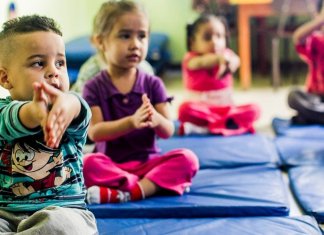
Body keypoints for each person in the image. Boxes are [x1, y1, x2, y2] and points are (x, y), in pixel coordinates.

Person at [82, 0, 199, 204]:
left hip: (149, 164)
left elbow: (168, 130)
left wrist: (156, 119)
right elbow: (95, 132)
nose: (135, 44)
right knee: (86, 164)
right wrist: (131, 122)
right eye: (125, 35)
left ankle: (129, 192)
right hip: (113, 165)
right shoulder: (93, 86)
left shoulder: (153, 83)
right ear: (101, 41)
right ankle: (147, 187)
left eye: (142, 36)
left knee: (188, 159)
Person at [0, 15, 98, 234]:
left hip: (65, 211)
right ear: (6, 78)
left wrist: (67, 104)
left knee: (60, 225)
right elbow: (11, 119)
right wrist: (34, 112)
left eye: (60, 63)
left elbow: (77, 107)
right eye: (38, 63)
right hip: (5, 215)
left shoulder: (69, 107)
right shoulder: (4, 112)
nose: (54, 71)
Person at [178, 14, 260, 136]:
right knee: (184, 110)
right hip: (202, 110)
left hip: (226, 110)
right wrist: (219, 59)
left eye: (219, 36)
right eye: (207, 37)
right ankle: (226, 125)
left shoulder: (227, 54)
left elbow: (236, 61)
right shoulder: (190, 59)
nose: (215, 42)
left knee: (255, 109)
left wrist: (230, 62)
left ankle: (211, 126)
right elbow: (202, 62)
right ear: (193, 42)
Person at [288, 1, 324, 125]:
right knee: (293, 96)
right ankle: (316, 115)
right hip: (315, 99)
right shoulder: (316, 40)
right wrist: (320, 21)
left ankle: (313, 117)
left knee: (302, 118)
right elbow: (298, 38)